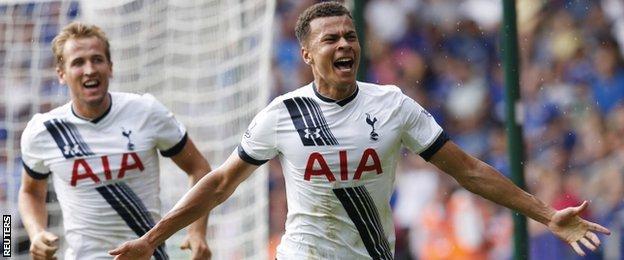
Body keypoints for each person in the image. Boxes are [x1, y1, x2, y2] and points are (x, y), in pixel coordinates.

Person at [110, 2, 611, 259]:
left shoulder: (392, 105)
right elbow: (219, 184)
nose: (345, 43)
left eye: (350, 35)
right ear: (307, 54)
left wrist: (547, 215)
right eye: (331, 38)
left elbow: (471, 171)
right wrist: (153, 240)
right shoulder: (282, 114)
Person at [18, 22, 212, 260]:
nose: (89, 69)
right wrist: (36, 233)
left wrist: (197, 231)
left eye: (97, 59)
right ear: (61, 74)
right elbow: (29, 192)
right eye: (78, 62)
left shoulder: (146, 112)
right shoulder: (44, 131)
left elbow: (199, 168)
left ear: (110, 67)